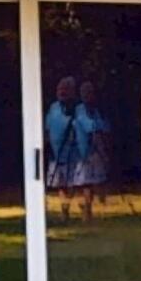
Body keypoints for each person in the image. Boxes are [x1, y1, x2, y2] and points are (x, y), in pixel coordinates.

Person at [44, 74, 109, 222]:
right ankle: (64, 212)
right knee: (60, 183)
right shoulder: (53, 108)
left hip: (77, 153)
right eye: (60, 88)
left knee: (83, 183)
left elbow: (91, 127)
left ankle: (86, 210)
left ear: (72, 92)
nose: (61, 92)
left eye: (65, 89)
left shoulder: (80, 109)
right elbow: (47, 129)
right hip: (57, 153)